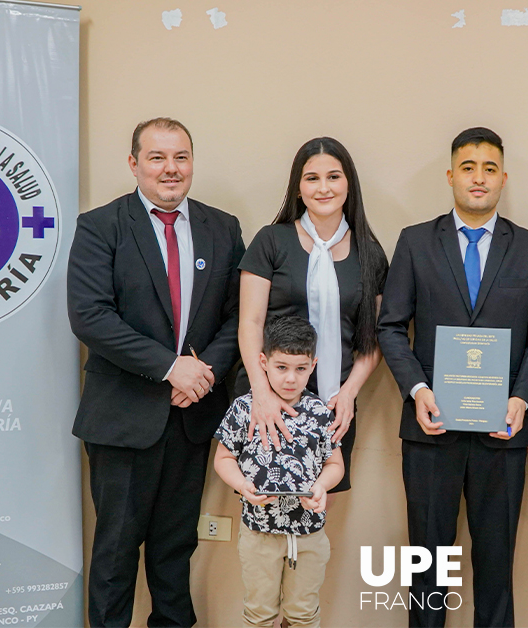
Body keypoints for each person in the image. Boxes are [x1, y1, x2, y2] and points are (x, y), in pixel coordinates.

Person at [377, 127, 528, 627]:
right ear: (451, 175)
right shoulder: (415, 242)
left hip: (503, 429)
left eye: (490, 168)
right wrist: (417, 390)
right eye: (469, 168)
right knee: (428, 565)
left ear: (504, 178)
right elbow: (390, 326)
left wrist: (522, 399)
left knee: (496, 566)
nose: (479, 178)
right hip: (431, 428)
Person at [67, 118, 246, 627]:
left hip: (191, 417)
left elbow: (238, 316)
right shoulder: (101, 225)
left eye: (181, 157)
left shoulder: (222, 226)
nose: (171, 169)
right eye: (158, 157)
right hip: (124, 420)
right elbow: (91, 317)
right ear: (134, 164)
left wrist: (202, 372)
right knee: (116, 554)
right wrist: (171, 369)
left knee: (175, 549)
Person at [237, 137, 387, 500]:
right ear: (298, 188)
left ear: (348, 184)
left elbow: (372, 339)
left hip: (334, 405)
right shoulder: (272, 241)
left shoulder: (370, 253)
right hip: (269, 396)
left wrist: (349, 394)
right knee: (264, 506)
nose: (324, 188)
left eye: (333, 177)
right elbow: (249, 323)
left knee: (317, 509)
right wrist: (262, 394)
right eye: (312, 178)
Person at [214, 315, 344, 628]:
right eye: (281, 367)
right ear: (263, 362)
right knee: (259, 612)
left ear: (313, 365)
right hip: (259, 532)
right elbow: (222, 458)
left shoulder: (319, 412)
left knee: (303, 613)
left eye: (300, 369)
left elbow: (335, 464)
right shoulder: (245, 408)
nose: (290, 378)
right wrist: (243, 484)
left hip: (309, 532)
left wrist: (322, 487)